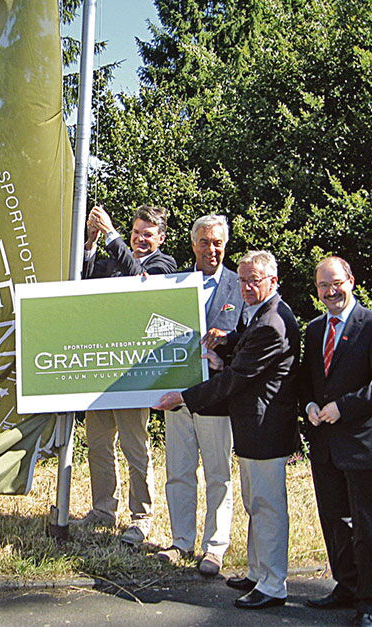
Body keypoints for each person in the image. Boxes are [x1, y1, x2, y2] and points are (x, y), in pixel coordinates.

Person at [154, 250, 300, 610]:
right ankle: (256, 573)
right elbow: (246, 350)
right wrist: (228, 343)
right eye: (244, 280)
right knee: (255, 503)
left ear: (273, 282)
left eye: (256, 281)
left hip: (266, 428)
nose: (247, 287)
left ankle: (272, 584)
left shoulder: (272, 322)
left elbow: (239, 377)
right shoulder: (261, 315)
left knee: (267, 507)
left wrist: (183, 397)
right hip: (255, 428)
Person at [299, 256, 372, 627]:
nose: (330, 291)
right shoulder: (313, 330)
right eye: (323, 286)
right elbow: (307, 381)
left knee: (367, 524)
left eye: (336, 283)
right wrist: (310, 404)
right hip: (325, 443)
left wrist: (343, 407)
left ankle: (370, 603)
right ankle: (345, 587)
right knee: (334, 521)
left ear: (351, 281)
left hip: (362, 443)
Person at [72, 204, 177, 545]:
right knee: (99, 445)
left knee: (135, 447)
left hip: (134, 373)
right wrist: (90, 240)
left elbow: (141, 284)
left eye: (148, 234)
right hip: (101, 370)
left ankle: (141, 516)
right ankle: (103, 510)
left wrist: (112, 234)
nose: (140, 239)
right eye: (135, 233)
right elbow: (84, 279)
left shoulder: (165, 266)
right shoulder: (112, 261)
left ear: (160, 238)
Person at [155, 214, 243, 576]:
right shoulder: (173, 284)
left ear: (226, 244)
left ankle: (215, 548)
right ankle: (180, 542)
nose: (212, 249)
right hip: (177, 394)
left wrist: (225, 351)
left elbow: (251, 339)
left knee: (218, 474)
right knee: (178, 471)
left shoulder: (241, 286)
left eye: (218, 242)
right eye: (205, 242)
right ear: (193, 245)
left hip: (217, 397)